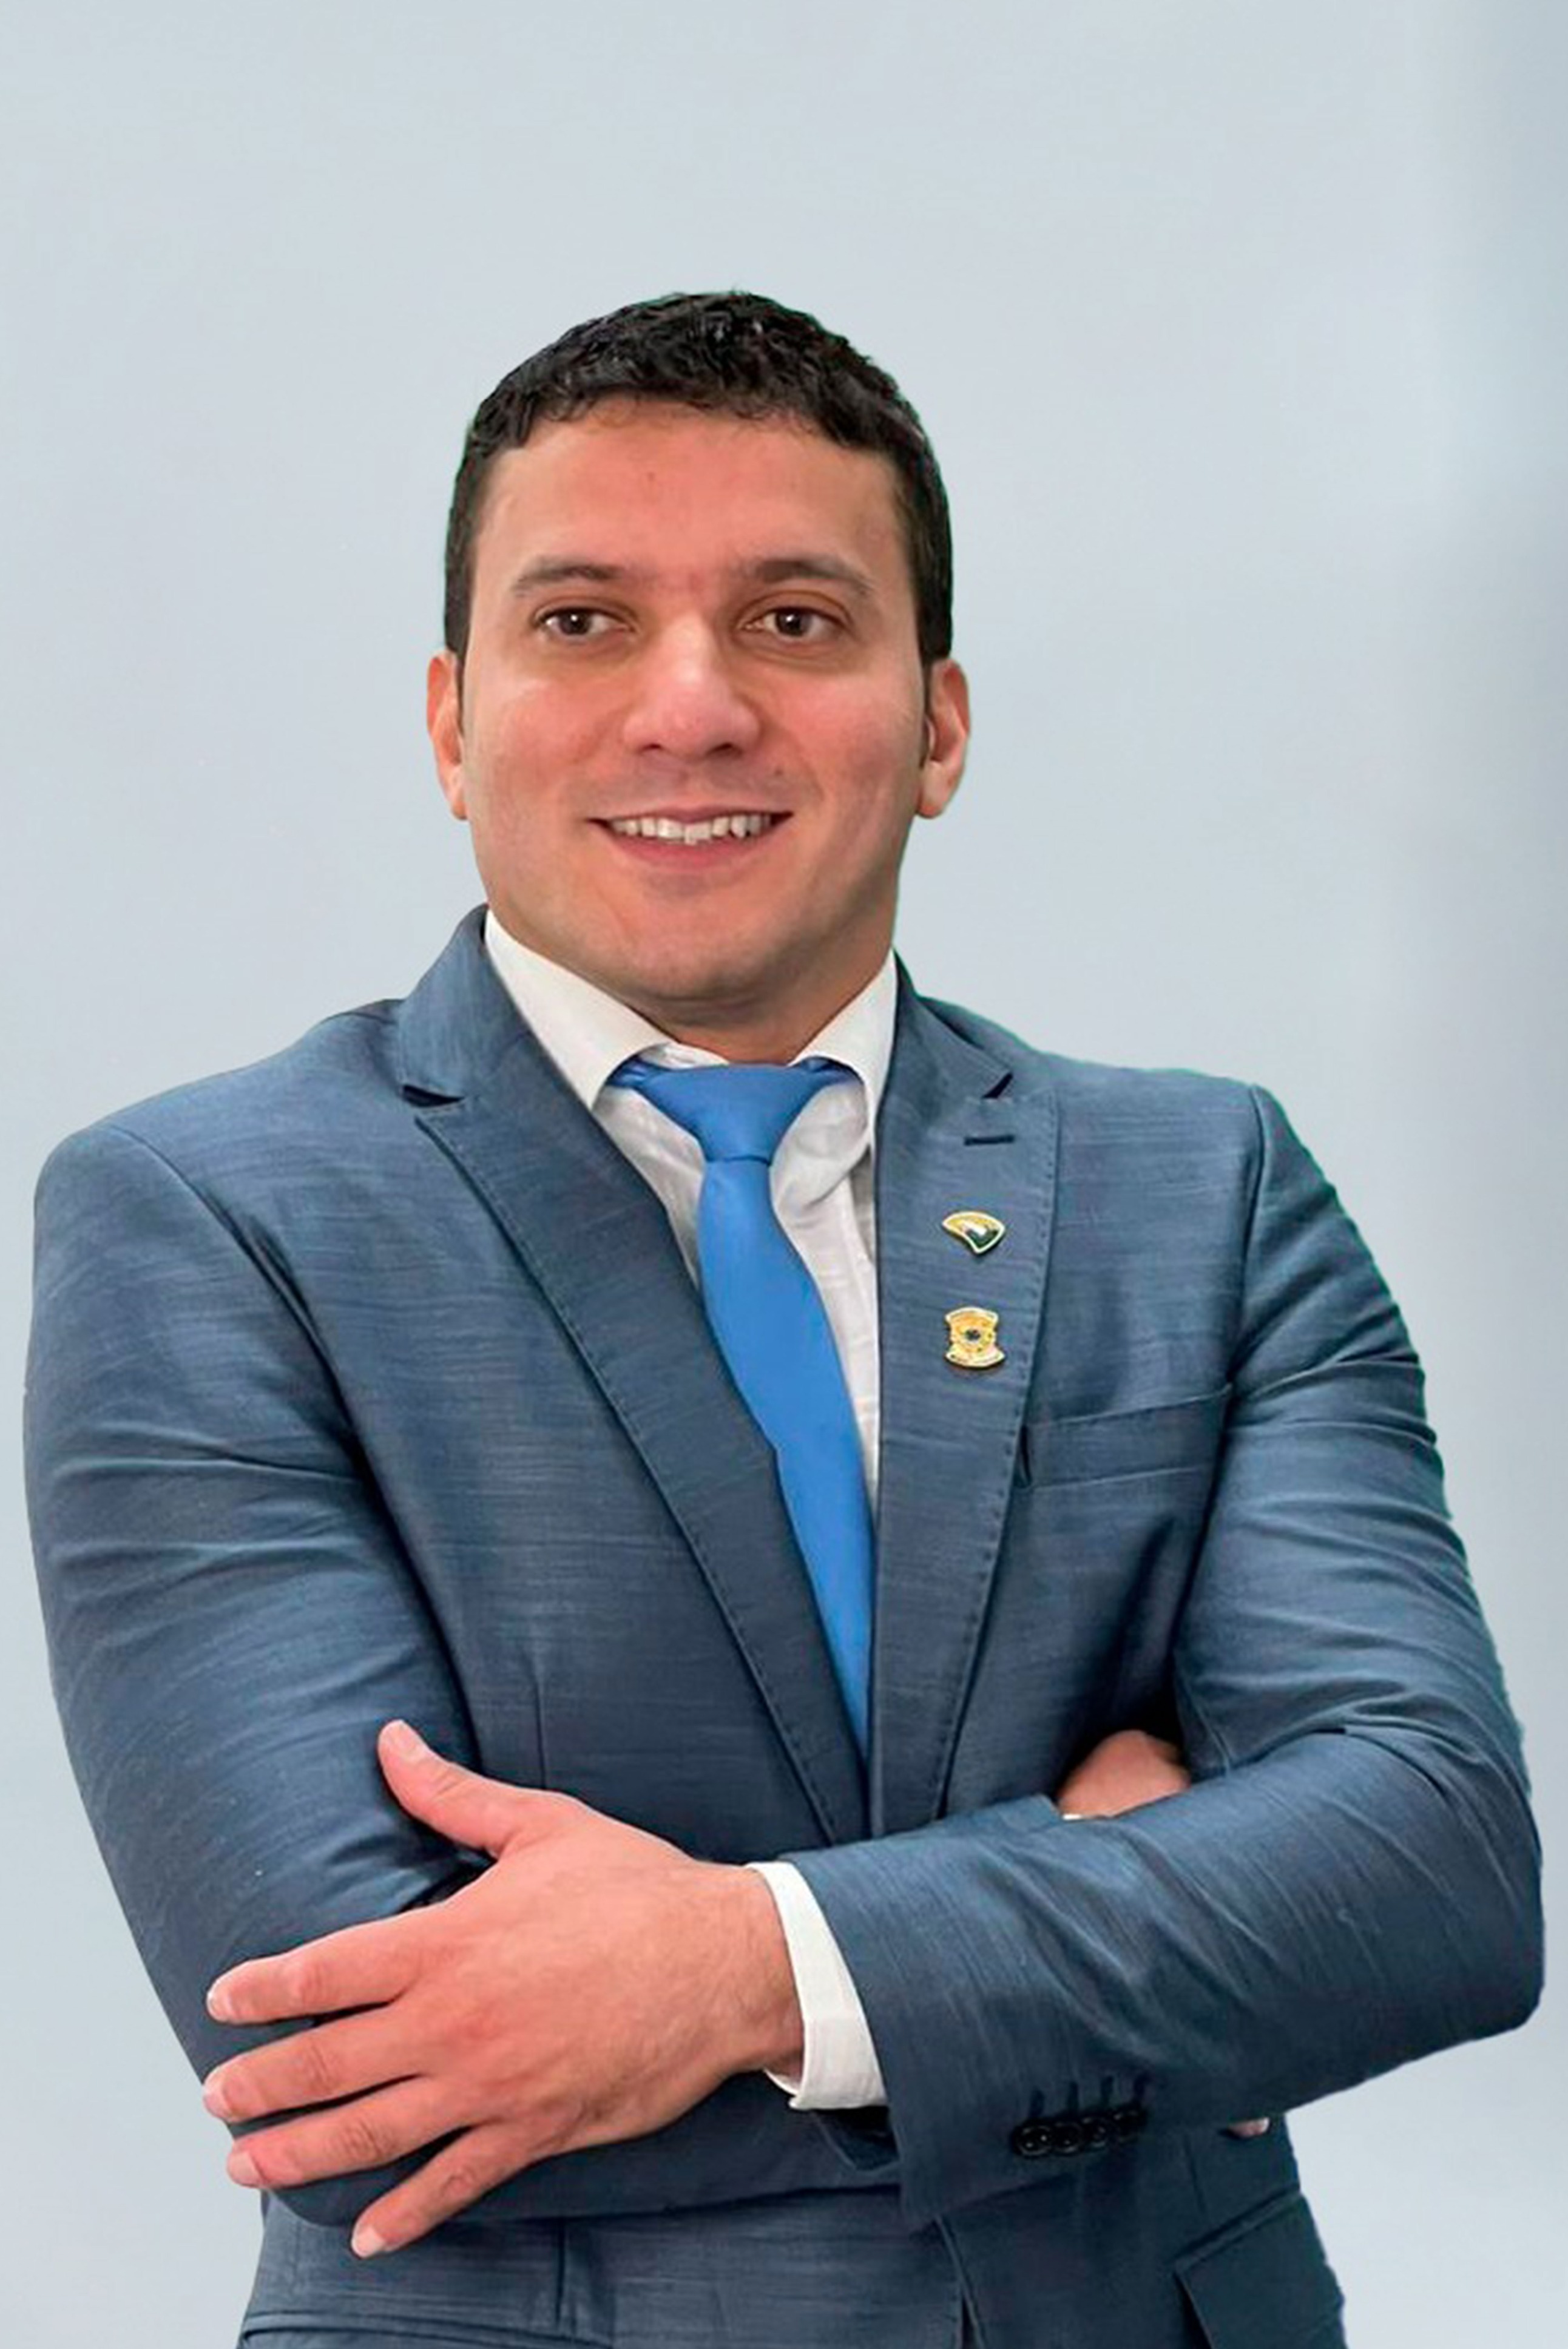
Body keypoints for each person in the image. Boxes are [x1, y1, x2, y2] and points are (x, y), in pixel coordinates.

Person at [27, 291, 1541, 2349]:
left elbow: (1435, 1877)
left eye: (795, 620)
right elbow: (356, 2068)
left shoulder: (1208, 1188)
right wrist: (1134, 1910)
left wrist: (737, 1968)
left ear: (939, 726)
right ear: (454, 724)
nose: (692, 707)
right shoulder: (207, 1219)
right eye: (584, 621)